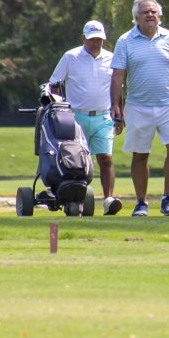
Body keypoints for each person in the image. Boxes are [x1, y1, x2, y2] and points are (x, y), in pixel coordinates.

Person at [110, 0, 169, 217]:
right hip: (138, 106)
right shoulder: (125, 41)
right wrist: (116, 108)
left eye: (153, 12)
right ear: (136, 17)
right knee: (140, 155)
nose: (150, 15)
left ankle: (168, 199)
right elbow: (118, 76)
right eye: (145, 12)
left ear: (159, 16)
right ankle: (141, 202)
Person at [49, 20, 123, 215]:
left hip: (103, 116)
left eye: (99, 39)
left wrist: (119, 115)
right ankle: (78, 200)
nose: (96, 43)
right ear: (84, 38)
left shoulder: (112, 58)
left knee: (105, 159)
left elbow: (117, 89)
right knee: (78, 162)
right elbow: (55, 83)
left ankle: (108, 200)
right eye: (92, 39)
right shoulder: (70, 57)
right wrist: (59, 109)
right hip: (76, 117)